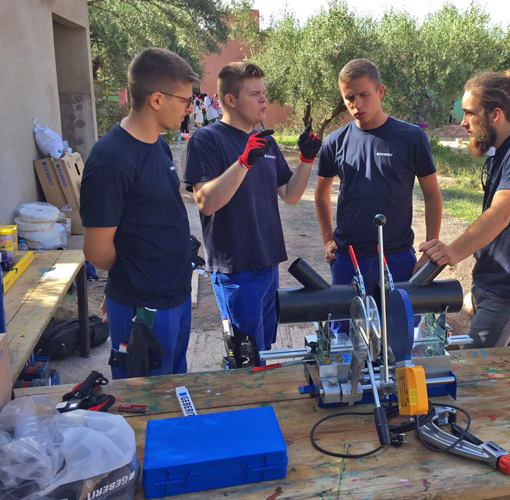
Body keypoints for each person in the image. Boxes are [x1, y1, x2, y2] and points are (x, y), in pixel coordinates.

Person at [184, 62, 321, 365]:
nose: (264, 100)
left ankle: (261, 405)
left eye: (264, 93)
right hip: (235, 269)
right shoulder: (207, 140)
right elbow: (205, 201)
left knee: (264, 349)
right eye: (254, 94)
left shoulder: (265, 141)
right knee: (245, 358)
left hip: (267, 262)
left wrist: (306, 159)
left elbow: (291, 195)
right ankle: (247, 406)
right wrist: (243, 162)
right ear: (230, 100)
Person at [80, 47, 198, 379]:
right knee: (144, 400)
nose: (190, 108)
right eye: (184, 100)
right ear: (157, 99)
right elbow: (97, 251)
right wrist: (126, 283)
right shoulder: (110, 159)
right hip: (142, 307)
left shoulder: (157, 143)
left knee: (173, 385)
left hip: (174, 296)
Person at [419, 70, 510, 348]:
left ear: (494, 114)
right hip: (489, 281)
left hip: (509, 289)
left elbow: (500, 213)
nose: (463, 122)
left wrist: (453, 251)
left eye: (470, 113)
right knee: (496, 370)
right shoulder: (501, 150)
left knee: (475, 370)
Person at [314, 58, 442, 327]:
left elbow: (432, 195)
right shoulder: (334, 141)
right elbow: (321, 193)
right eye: (349, 98)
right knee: (346, 343)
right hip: (348, 260)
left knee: (399, 338)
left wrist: (430, 249)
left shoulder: (411, 137)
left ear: (380, 91)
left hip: (396, 257)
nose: (356, 105)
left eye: (364, 95)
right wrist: (327, 239)